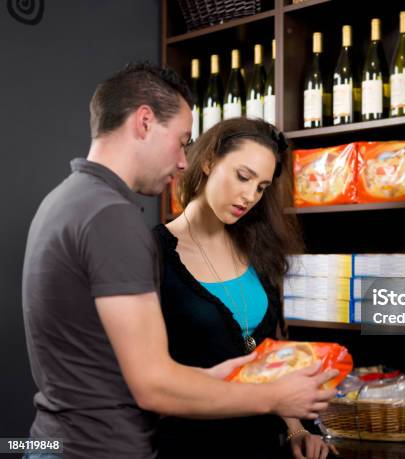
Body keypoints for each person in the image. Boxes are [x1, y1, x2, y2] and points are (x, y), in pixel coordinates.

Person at [21, 62, 338, 459]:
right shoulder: (113, 219)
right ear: (145, 121)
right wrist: (274, 397)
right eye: (182, 140)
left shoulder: (65, 201)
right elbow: (152, 384)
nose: (183, 159)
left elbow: (114, 367)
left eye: (261, 187)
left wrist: (225, 380)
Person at [153, 117, 337, 459]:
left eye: (262, 187)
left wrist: (297, 429)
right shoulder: (154, 254)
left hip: (264, 446)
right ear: (208, 161)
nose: (250, 196)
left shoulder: (259, 248)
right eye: (243, 176)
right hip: (188, 447)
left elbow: (273, 360)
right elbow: (149, 380)